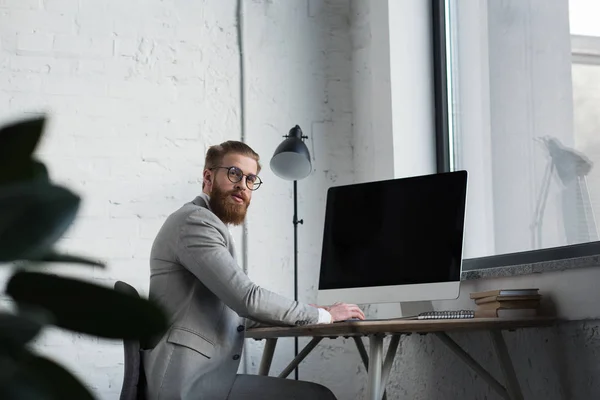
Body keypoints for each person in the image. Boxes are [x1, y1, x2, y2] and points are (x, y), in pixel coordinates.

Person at [142, 141, 365, 400]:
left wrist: (313, 312)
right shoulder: (195, 222)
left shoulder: (205, 223)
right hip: (185, 385)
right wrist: (323, 317)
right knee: (317, 397)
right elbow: (247, 299)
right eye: (234, 173)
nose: (243, 185)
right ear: (208, 176)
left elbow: (235, 311)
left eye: (250, 179)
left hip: (203, 377)